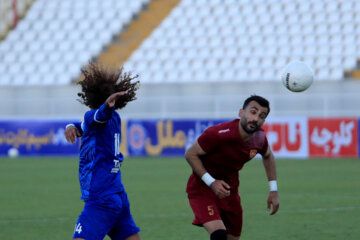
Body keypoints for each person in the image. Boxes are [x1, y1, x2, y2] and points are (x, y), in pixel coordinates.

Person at [185, 95, 279, 240]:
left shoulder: (259, 138)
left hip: (230, 192)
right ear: (241, 113)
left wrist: (273, 190)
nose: (255, 118)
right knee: (219, 235)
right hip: (203, 189)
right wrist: (212, 182)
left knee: (232, 238)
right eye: (253, 112)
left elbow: (268, 156)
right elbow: (190, 154)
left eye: (261, 116)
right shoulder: (218, 134)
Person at [64, 62, 141, 240]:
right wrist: (71, 125)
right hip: (117, 194)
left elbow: (99, 117)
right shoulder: (115, 118)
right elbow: (87, 126)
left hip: (100, 199)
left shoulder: (97, 116)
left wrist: (106, 106)